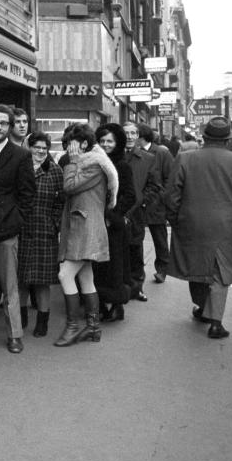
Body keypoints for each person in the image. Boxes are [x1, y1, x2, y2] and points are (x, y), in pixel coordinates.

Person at [165, 117, 232, 339]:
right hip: (225, 223)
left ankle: (202, 308)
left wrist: (176, 219)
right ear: (229, 139)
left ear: (204, 137)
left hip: (190, 221)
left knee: (196, 265)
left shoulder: (184, 158)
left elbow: (171, 195)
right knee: (221, 270)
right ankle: (216, 322)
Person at [0, 105, 36, 353]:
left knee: (10, 284)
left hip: (6, 227)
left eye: (3, 123)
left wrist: (16, 221)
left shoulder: (21, 155)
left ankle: (14, 334)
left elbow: (27, 194)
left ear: (9, 127)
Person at [54, 123, 117, 347]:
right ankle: (93, 327)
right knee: (85, 276)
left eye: (69, 144)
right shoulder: (92, 162)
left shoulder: (93, 165)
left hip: (86, 229)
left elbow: (69, 186)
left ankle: (73, 327)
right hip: (83, 227)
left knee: (65, 274)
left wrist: (72, 163)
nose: (67, 149)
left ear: (82, 144)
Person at [16, 131, 64, 338]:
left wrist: (55, 223)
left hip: (45, 231)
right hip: (22, 228)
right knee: (22, 279)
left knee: (43, 281)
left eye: (44, 148)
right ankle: (21, 316)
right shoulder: (20, 167)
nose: (41, 152)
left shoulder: (54, 171)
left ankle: (42, 321)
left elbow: (61, 201)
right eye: (37, 147)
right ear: (29, 147)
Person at [94, 123, 137, 323]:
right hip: (95, 223)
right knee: (97, 266)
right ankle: (101, 304)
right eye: (102, 141)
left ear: (117, 142)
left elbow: (130, 196)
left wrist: (113, 215)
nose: (105, 144)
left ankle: (116, 306)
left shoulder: (122, 165)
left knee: (114, 267)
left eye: (109, 141)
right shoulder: (94, 162)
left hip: (112, 226)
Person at [122, 121, 162, 300]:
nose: (130, 137)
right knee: (117, 251)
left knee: (135, 250)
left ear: (138, 136)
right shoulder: (112, 156)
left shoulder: (148, 158)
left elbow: (154, 185)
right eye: (126, 133)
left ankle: (137, 286)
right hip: (115, 211)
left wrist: (142, 202)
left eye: (133, 133)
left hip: (136, 212)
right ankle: (120, 287)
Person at [137, 123, 174, 287]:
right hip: (137, 204)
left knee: (159, 239)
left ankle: (162, 269)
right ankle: (137, 272)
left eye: (134, 134)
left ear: (141, 137)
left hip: (156, 204)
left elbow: (171, 178)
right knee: (136, 240)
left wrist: (161, 197)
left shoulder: (161, 153)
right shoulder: (133, 153)